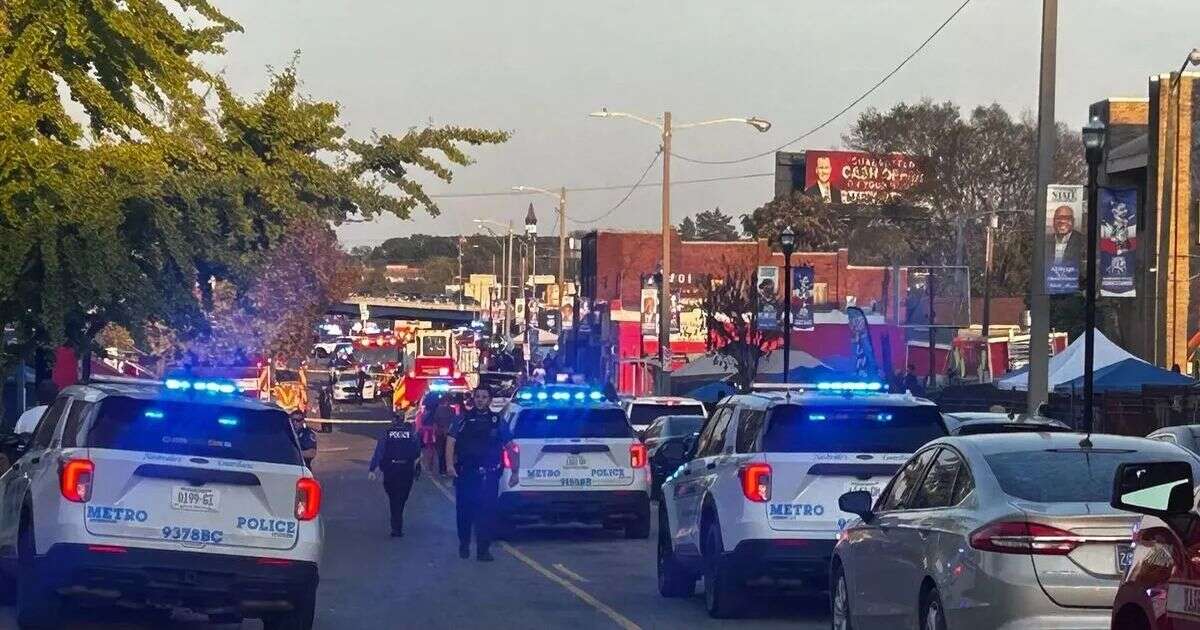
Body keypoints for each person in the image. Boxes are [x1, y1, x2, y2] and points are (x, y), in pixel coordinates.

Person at [446, 386, 518, 562]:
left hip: (489, 475)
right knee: (464, 512)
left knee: (486, 514)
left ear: (490, 400)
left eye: (484, 397)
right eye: (477, 396)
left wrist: (516, 471)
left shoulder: (497, 421)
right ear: (473, 399)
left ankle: (483, 551)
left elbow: (510, 446)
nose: (480, 400)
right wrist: (449, 465)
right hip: (466, 474)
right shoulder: (462, 419)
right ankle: (464, 543)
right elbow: (450, 442)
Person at [368, 414, 422, 537]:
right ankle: (397, 523)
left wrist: (372, 469)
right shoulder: (411, 434)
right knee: (402, 498)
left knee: (393, 498)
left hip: (390, 470)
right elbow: (418, 453)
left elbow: (379, 451)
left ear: (394, 420)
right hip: (406, 470)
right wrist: (417, 469)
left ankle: (396, 523)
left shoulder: (387, 433)